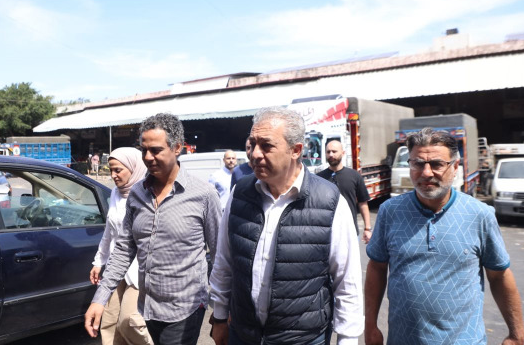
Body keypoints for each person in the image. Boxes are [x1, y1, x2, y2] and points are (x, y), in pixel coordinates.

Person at [209, 106, 364, 345]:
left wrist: (348, 339)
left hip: (303, 339)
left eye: (266, 146)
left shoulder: (329, 201)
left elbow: (347, 280)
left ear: (296, 150)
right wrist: (219, 317)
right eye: (253, 144)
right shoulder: (239, 194)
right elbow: (224, 262)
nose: (255, 154)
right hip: (243, 334)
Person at [364, 128, 524, 345]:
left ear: (455, 167)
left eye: (437, 164)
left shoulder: (479, 215)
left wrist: (516, 333)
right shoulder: (390, 212)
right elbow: (377, 267)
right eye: (418, 164)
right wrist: (370, 326)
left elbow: (499, 275)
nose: (426, 173)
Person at [84, 113, 222, 345]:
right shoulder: (137, 194)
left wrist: (221, 311)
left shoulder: (203, 194)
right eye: (144, 150)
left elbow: (220, 255)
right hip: (147, 306)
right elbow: (124, 249)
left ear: (177, 148)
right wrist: (100, 298)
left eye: (156, 150)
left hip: (185, 309)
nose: (148, 157)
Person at [89, 147, 152, 345]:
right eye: (111, 170)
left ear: (134, 168)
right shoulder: (116, 193)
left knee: (129, 321)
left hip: (139, 270)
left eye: (118, 170)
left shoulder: (148, 195)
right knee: (108, 321)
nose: (113, 175)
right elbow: (109, 231)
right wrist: (99, 261)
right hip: (117, 267)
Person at [317, 140, 372, 244]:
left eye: (334, 151)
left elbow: (363, 203)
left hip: (350, 233)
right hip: (326, 235)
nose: (331, 154)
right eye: (328, 152)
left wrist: (367, 228)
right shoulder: (319, 178)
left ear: (343, 153)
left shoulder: (354, 176)